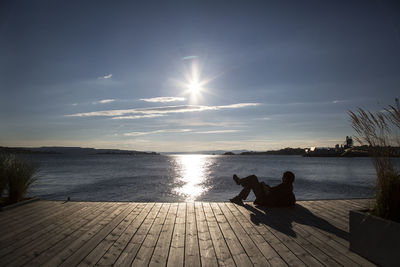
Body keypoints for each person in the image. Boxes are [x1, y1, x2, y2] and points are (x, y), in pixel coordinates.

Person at [230, 171, 296, 207]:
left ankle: (239, 183)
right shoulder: (287, 186)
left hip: (264, 198)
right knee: (250, 183)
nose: (282, 178)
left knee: (253, 178)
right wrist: (266, 186)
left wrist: (265, 188)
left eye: (283, 177)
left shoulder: (285, 187)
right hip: (265, 196)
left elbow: (272, 194)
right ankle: (239, 197)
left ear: (286, 178)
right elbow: (274, 191)